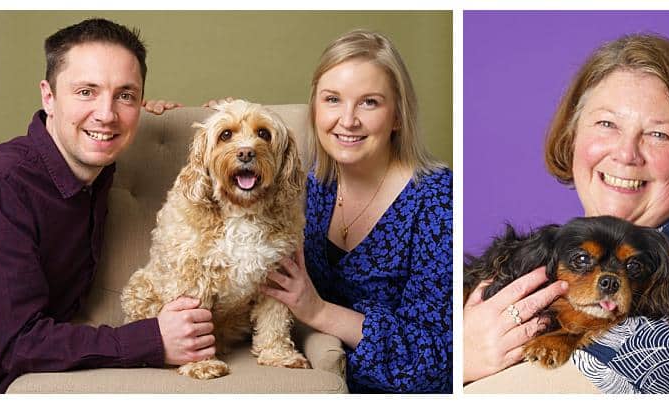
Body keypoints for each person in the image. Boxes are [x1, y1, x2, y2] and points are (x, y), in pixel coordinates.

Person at [146, 30, 453, 393]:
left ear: (398, 116)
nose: (348, 119)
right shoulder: (309, 185)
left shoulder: (436, 199)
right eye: (332, 99)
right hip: (317, 371)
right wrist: (181, 119)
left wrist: (319, 312)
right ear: (315, 108)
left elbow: (436, 356)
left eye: (369, 102)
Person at [463, 33, 669, 393]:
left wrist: (458, 359)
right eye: (607, 124)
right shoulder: (563, 249)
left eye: (658, 134)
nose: (626, 153)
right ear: (572, 137)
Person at [0, 18, 216, 394]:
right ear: (48, 96)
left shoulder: (96, 166)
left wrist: (194, 120)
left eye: (125, 95)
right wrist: (153, 339)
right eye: (86, 92)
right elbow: (19, 344)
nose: (107, 114)